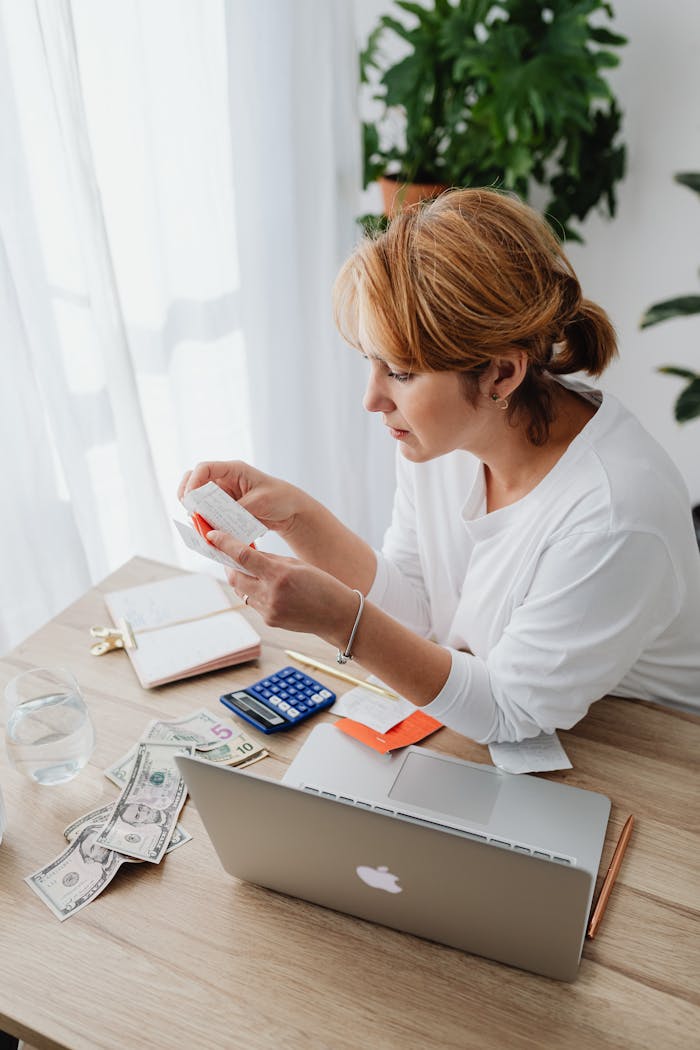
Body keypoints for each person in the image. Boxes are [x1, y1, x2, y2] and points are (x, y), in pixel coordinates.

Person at [179, 188, 700, 743]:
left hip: (652, 746)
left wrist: (340, 620)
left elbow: (508, 713)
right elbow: (421, 616)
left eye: (401, 373)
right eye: (370, 362)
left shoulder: (615, 513)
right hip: (553, 722)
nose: (372, 399)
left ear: (501, 374)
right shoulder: (441, 440)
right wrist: (298, 518)